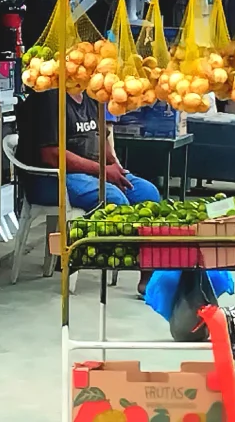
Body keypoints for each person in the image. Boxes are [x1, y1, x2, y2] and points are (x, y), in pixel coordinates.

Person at [16, 88, 160, 295]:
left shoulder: (90, 97)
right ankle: (78, 253)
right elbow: (51, 155)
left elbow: (99, 137)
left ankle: (148, 271)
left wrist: (113, 165)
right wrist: (102, 171)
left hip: (91, 173)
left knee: (148, 194)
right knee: (113, 198)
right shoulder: (49, 97)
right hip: (49, 178)